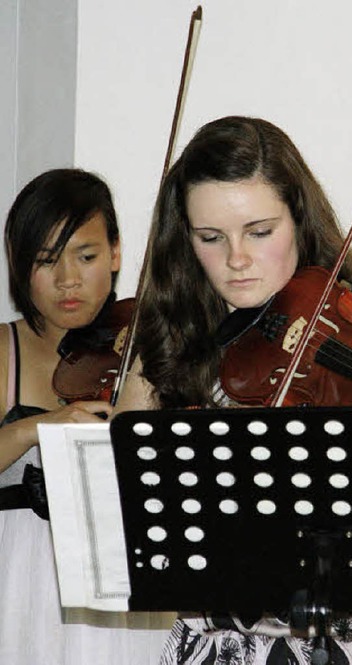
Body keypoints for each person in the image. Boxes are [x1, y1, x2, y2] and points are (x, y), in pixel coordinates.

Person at [115, 115, 352, 665]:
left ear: (299, 224)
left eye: (260, 232)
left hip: (338, 647)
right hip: (215, 648)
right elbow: (131, 526)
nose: (236, 258)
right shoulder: (163, 357)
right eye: (211, 238)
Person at [0, 168, 172, 664]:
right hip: (17, 580)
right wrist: (34, 427)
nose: (67, 279)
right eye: (45, 261)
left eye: (87, 256)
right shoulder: (4, 349)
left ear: (116, 252)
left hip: (119, 579)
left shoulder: (145, 344)